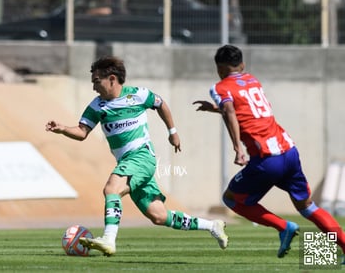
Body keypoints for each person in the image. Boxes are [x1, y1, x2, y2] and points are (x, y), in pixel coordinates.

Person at [46, 56, 228, 256]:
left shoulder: (139, 95)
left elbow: (161, 104)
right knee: (158, 216)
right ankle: (212, 226)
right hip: (128, 162)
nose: (94, 87)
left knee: (111, 189)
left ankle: (109, 239)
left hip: (141, 157)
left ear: (112, 79)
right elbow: (82, 132)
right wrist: (62, 128)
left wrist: (172, 132)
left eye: (97, 82)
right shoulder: (97, 106)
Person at [193, 44, 345, 259]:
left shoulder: (219, 88)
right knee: (307, 207)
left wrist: (238, 148)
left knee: (231, 199)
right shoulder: (253, 80)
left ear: (219, 69)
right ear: (242, 65)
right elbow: (244, 112)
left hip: (266, 159)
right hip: (289, 152)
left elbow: (230, 111)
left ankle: (284, 227)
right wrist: (216, 110)